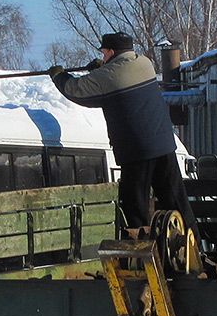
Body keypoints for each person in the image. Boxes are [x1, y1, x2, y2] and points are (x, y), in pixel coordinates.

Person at [47, 31, 197, 233]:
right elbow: (116, 77)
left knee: (134, 207)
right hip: (164, 145)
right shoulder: (145, 63)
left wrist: (59, 75)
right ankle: (192, 247)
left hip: (136, 150)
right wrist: (102, 68)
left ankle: (141, 254)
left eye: (104, 53)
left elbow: (76, 90)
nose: (103, 56)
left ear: (111, 51)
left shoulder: (106, 75)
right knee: (176, 201)